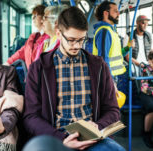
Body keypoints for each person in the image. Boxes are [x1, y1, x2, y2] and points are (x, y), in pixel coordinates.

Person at [23, 7, 125, 151]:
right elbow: (30, 117)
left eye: (81, 40)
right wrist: (62, 139)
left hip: (92, 138)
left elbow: (113, 110)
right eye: (71, 40)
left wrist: (98, 126)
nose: (77, 46)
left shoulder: (99, 66)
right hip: (55, 137)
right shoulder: (39, 68)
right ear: (58, 33)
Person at [92, 1, 129, 96]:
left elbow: (116, 55)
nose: (118, 13)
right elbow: (103, 59)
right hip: (107, 77)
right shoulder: (104, 31)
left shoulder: (111, 31)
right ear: (106, 13)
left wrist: (128, 48)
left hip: (111, 76)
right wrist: (111, 81)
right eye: (115, 11)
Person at [6, 5, 50, 69]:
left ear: (43, 18)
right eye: (33, 17)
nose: (33, 19)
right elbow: (23, 51)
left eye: (35, 16)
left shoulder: (49, 37)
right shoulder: (34, 36)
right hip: (31, 74)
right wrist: (9, 62)